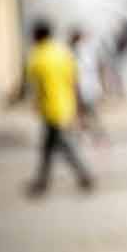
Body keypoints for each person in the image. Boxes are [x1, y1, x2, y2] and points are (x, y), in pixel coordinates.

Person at [25, 19, 96, 197]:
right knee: (50, 146)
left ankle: (83, 175)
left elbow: (34, 87)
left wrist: (35, 104)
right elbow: (74, 80)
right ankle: (43, 181)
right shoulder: (62, 53)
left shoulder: (37, 56)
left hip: (50, 108)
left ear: (37, 35)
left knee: (61, 144)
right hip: (67, 105)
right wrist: (78, 105)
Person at [69, 28, 108, 144]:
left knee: (87, 114)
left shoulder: (81, 52)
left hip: (86, 88)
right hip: (86, 87)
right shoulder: (83, 52)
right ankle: (88, 136)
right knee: (84, 114)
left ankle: (96, 136)